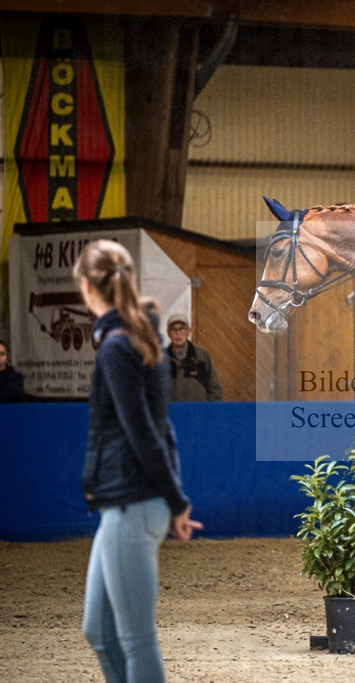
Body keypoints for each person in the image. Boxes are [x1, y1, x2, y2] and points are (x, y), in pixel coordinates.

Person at [74, 239, 202, 682]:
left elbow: (144, 432)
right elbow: (160, 429)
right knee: (99, 630)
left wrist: (175, 500)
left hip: (131, 501)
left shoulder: (117, 346)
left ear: (88, 287)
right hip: (126, 502)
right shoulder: (141, 337)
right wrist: (175, 499)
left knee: (134, 638)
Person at [166, 313, 223, 401]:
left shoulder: (201, 355)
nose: (178, 333)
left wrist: (211, 411)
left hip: (199, 413)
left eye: (182, 329)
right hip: (170, 413)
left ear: (189, 331)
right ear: (168, 332)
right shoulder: (161, 358)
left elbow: (214, 389)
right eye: (174, 329)